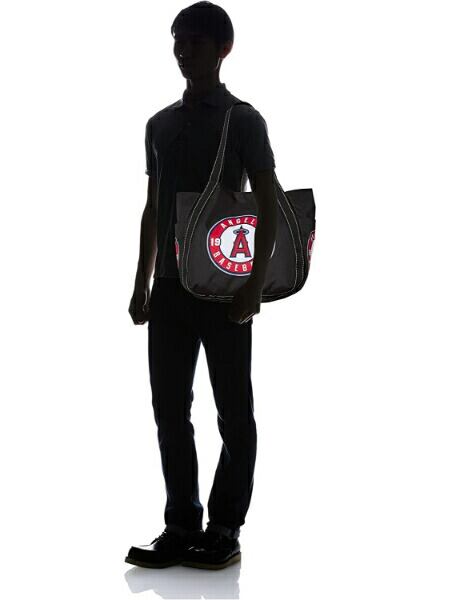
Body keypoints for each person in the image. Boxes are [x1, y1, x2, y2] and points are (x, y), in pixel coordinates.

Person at [126, 1, 278, 570]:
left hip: (224, 288)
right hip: (168, 290)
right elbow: (153, 206)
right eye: (178, 40)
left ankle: (226, 528)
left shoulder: (244, 120)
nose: (183, 50)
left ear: (223, 49)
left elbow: (267, 202)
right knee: (169, 410)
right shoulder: (158, 124)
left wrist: (254, 286)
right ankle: (181, 525)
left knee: (234, 413)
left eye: (194, 41)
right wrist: (140, 281)